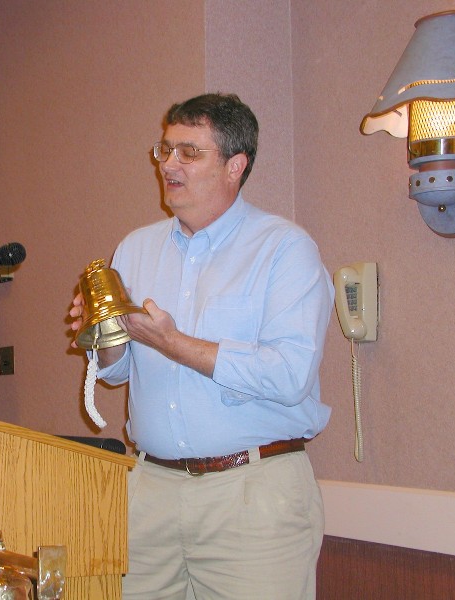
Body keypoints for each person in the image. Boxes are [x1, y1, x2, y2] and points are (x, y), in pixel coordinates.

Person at [69, 93, 334, 600]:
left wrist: (172, 342)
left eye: (189, 152)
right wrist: (104, 333)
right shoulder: (135, 248)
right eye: (165, 150)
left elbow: (289, 375)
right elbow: (116, 371)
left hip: (253, 495)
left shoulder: (284, 249)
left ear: (235, 166)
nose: (169, 164)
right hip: (151, 491)